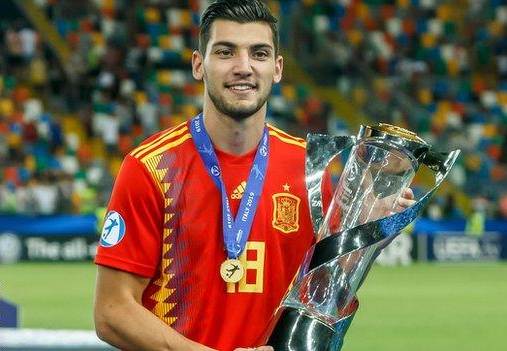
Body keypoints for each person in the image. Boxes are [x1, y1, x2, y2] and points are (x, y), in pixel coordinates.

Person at [93, 1, 415, 350]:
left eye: (258, 53)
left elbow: (319, 290)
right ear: (199, 65)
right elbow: (112, 312)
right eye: (226, 52)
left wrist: (365, 237)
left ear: (277, 68)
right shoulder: (150, 168)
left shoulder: (310, 169)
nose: (243, 67)